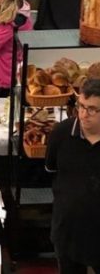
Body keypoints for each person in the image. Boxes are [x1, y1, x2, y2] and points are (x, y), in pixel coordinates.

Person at [45, 78, 100, 274]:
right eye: (81, 106)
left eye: (93, 109)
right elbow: (50, 170)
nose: (84, 114)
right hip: (67, 230)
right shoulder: (61, 133)